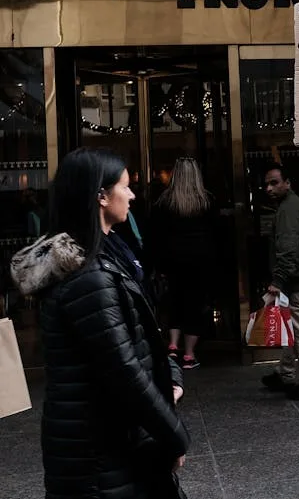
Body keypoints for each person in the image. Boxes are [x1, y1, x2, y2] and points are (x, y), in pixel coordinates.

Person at [9, 147, 189, 499]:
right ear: (101, 196)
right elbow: (123, 369)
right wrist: (175, 435)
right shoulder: (88, 276)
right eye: (125, 186)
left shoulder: (108, 256)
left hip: (108, 441)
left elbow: (138, 338)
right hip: (98, 451)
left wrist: (171, 376)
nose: (133, 195)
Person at [260, 163, 299, 401]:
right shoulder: (294, 206)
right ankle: (286, 373)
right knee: (293, 328)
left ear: (288, 183)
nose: (269, 188)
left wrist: (279, 279)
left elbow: (289, 248)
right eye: (267, 183)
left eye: (274, 182)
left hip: (296, 281)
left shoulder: (288, 209)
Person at [151, 157, 217, 370]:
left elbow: (157, 235)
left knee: (174, 303)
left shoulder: (164, 201)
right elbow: (216, 234)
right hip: (200, 262)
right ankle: (188, 354)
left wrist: (158, 265)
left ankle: (172, 346)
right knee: (195, 307)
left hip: (172, 261)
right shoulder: (206, 201)